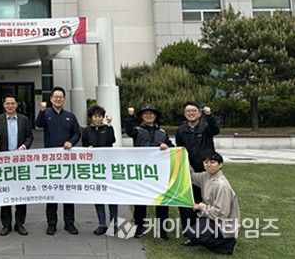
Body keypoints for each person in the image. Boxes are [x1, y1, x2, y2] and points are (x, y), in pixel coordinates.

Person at [35, 86, 81, 236]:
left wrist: (71, 142)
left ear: (64, 99)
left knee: (68, 193)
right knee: (52, 193)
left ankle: (69, 224)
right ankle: (51, 224)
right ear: (51, 99)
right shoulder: (46, 114)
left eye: (60, 97)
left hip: (67, 160)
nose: (58, 99)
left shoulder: (70, 116)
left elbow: (77, 133)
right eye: (55, 97)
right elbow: (38, 124)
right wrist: (41, 111)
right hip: (51, 161)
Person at [125, 104, 174, 239]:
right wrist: (130, 116)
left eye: (151, 113)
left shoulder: (162, 132)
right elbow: (129, 130)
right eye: (146, 113)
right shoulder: (137, 130)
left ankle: (162, 230)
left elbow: (172, 147)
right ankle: (139, 227)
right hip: (142, 172)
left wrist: (167, 146)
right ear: (141, 116)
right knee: (140, 202)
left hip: (159, 173)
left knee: (162, 202)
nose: (149, 116)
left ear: (155, 116)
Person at [0, 93, 34, 236]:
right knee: (5, 193)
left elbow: (30, 137)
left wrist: (24, 147)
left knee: (21, 193)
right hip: (4, 162)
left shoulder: (24, 119)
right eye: (7, 103)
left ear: (17, 105)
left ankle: (19, 224)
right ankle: (6, 224)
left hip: (20, 161)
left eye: (12, 103)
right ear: (4, 105)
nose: (10, 106)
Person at [175, 102, 221, 232]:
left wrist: (209, 115)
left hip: (206, 169)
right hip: (189, 170)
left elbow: (216, 130)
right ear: (184, 114)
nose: (191, 113)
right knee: (188, 200)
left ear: (200, 113)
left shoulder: (206, 126)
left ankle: (208, 229)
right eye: (188, 111)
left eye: (194, 111)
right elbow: (180, 149)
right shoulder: (180, 130)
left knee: (208, 199)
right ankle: (190, 230)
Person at [184, 151, 240, 255]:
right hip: (211, 216)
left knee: (194, 235)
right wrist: (184, 158)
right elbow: (191, 176)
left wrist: (200, 206)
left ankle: (227, 244)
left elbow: (220, 213)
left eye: (213, 162)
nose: (209, 165)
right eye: (206, 162)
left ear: (220, 165)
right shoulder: (206, 176)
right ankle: (201, 234)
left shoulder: (222, 185)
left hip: (223, 222)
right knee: (190, 228)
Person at [81, 104, 117, 236]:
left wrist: (109, 125)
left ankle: (114, 223)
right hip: (94, 168)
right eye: (95, 116)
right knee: (98, 195)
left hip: (108, 166)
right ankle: (102, 224)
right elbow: (84, 145)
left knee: (112, 195)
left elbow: (112, 140)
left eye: (100, 116)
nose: (97, 118)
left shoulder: (107, 129)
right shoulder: (86, 130)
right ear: (91, 117)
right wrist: (88, 148)